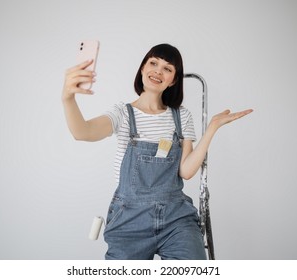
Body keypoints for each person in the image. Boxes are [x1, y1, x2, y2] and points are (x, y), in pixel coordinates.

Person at [62, 43, 253, 260]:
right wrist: (68, 98)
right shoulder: (122, 114)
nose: (158, 71)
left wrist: (212, 127)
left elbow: (186, 171)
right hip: (129, 219)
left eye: (167, 68)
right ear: (142, 68)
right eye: (153, 63)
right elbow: (83, 132)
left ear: (173, 80)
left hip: (176, 218)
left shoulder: (182, 117)